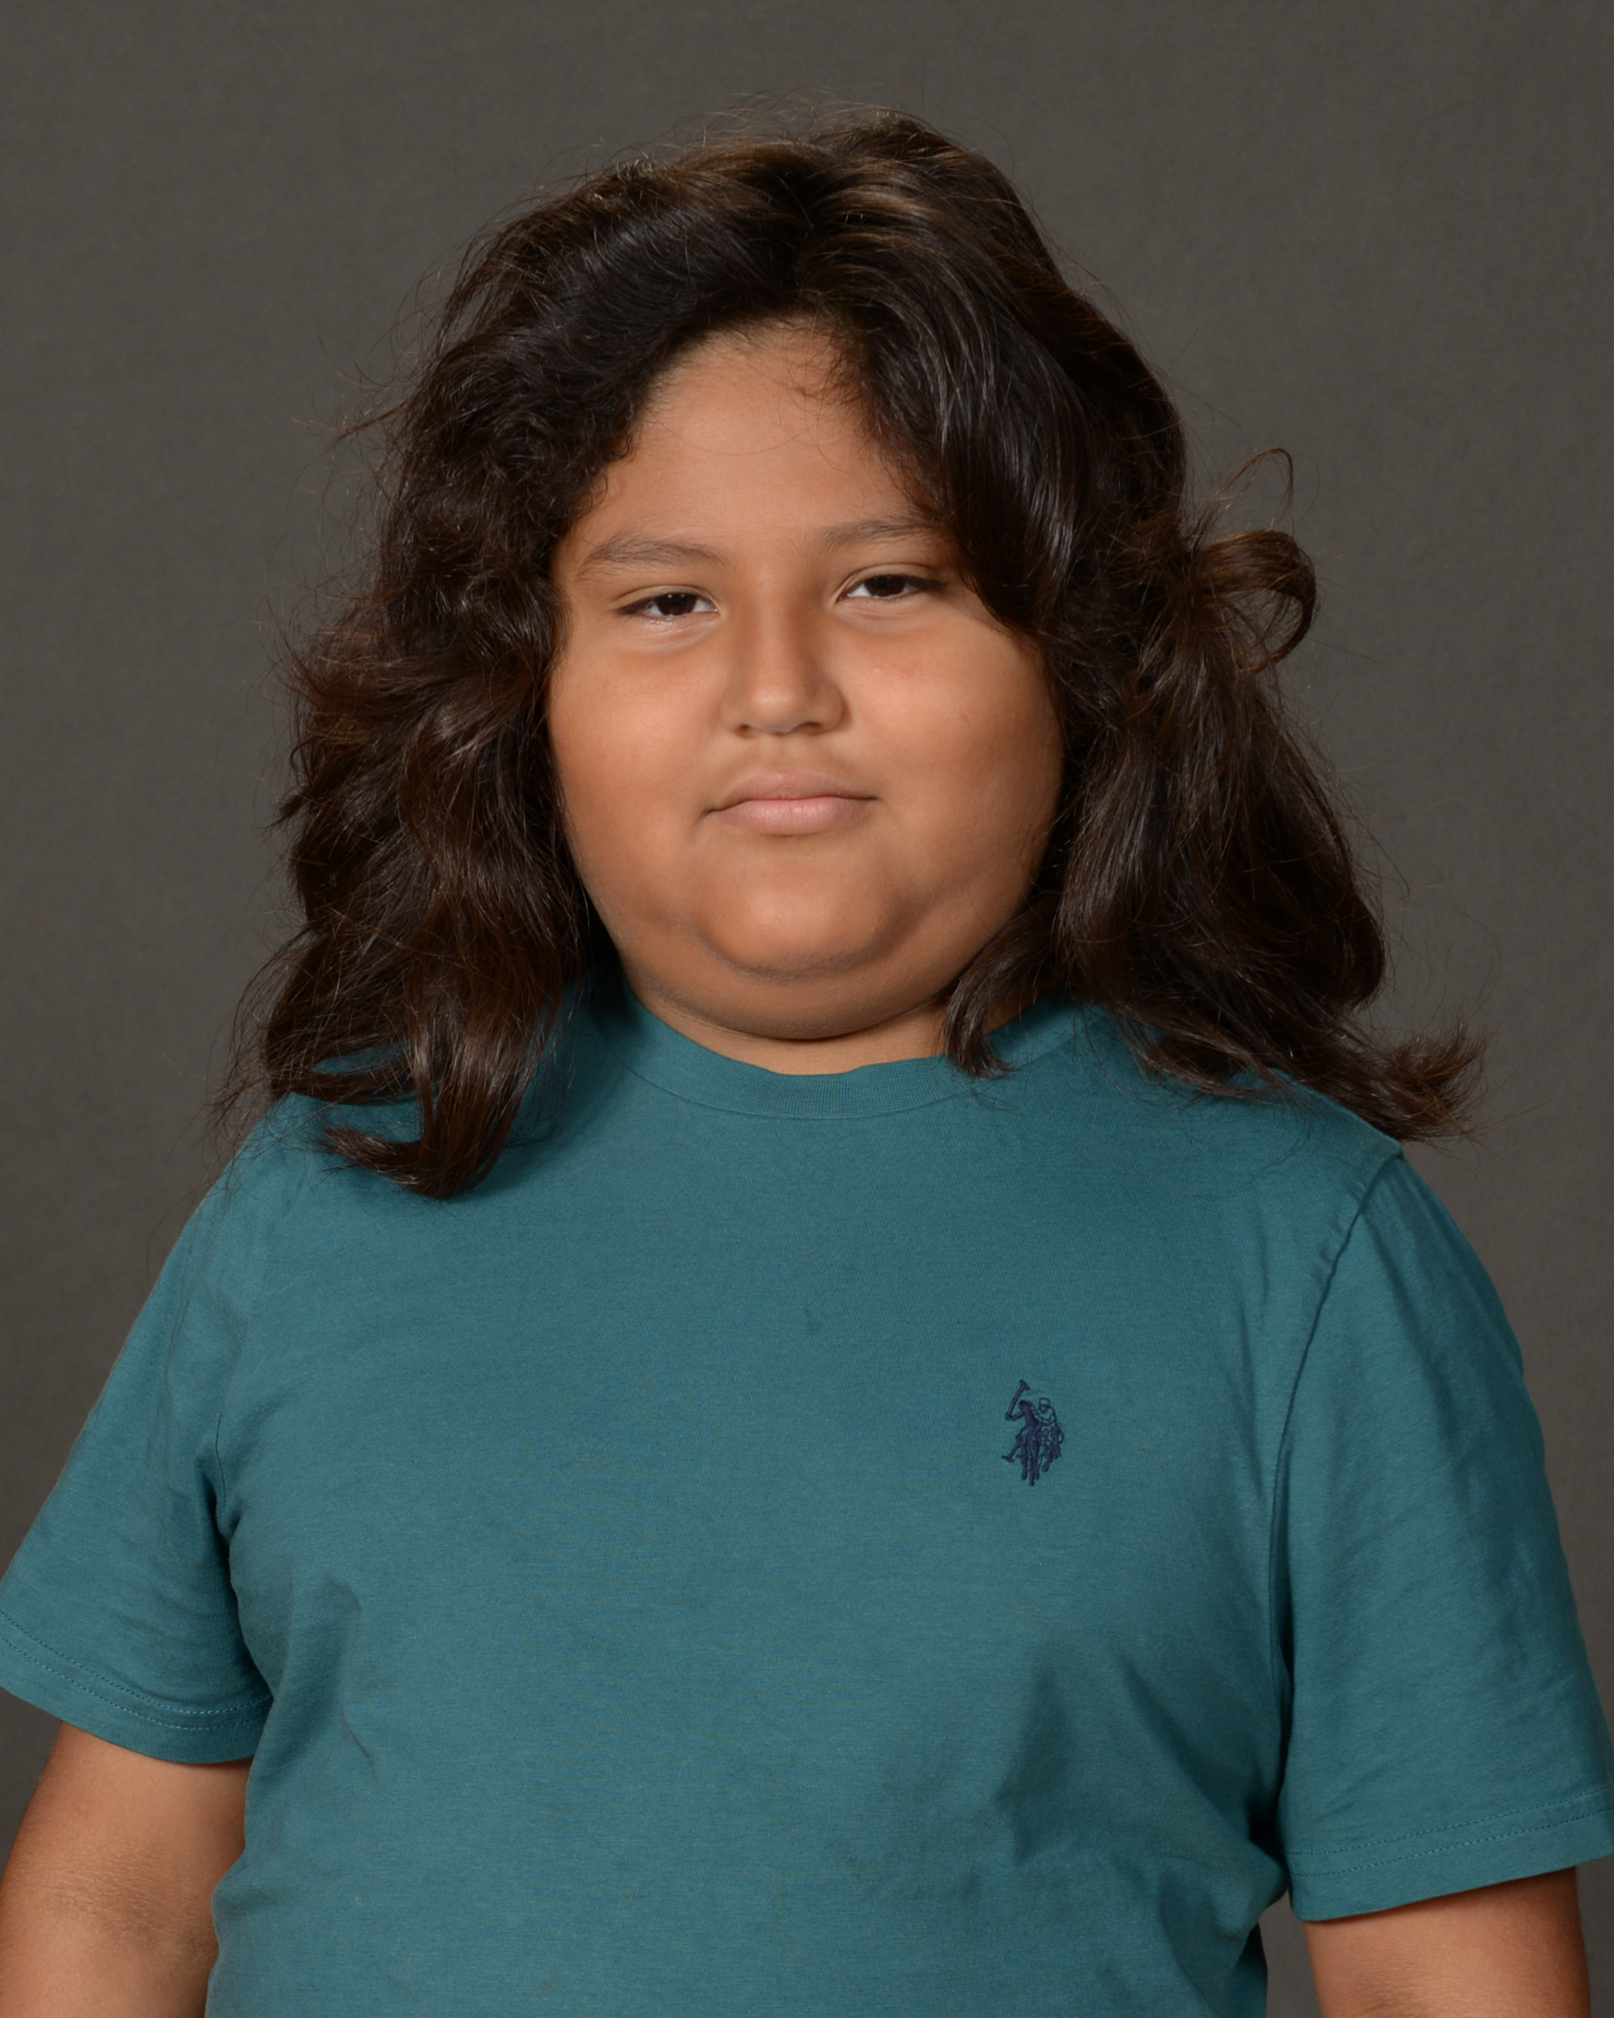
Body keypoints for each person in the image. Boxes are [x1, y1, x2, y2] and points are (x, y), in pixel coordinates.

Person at [0, 110, 1608, 2018]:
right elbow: (116, 1900)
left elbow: (1444, 1979)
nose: (777, 687)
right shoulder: (333, 1189)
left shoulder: (1305, 1260)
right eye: (664, 600)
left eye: (888, 583)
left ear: (1084, 655)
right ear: (524, 693)